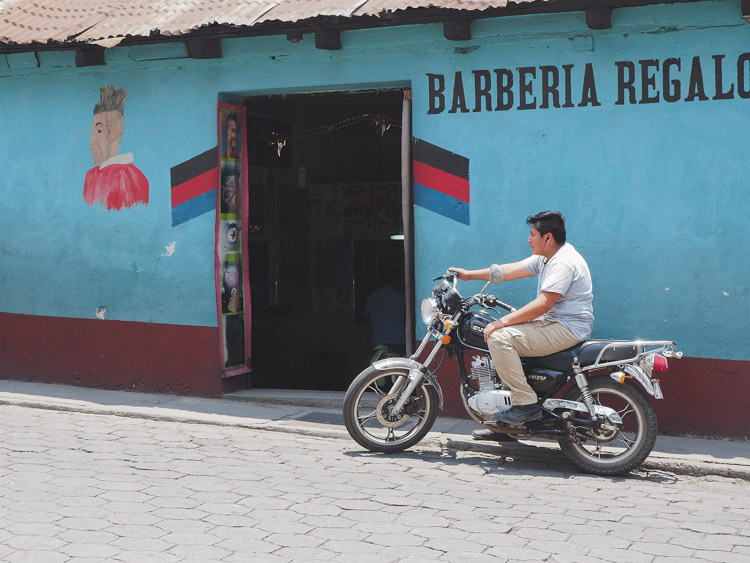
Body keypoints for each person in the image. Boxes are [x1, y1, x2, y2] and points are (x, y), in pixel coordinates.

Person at [450, 211, 593, 433]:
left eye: (532, 234)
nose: (528, 239)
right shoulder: (546, 258)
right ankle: (506, 425)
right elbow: (507, 271)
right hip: (555, 324)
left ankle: (525, 405)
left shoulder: (563, 262)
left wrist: (502, 322)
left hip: (565, 328)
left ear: (548, 238)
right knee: (506, 341)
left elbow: (544, 304)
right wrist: (469, 275)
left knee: (499, 338)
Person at [84, 85, 149, 210]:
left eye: (98, 131)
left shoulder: (135, 180)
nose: (91, 142)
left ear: (113, 134)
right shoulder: (92, 176)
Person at [365, 267, 407, 360]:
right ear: (397, 281)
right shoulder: (402, 297)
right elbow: (407, 319)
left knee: (379, 372)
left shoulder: (372, 297)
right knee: (398, 372)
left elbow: (368, 319)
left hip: (377, 343)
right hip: (399, 342)